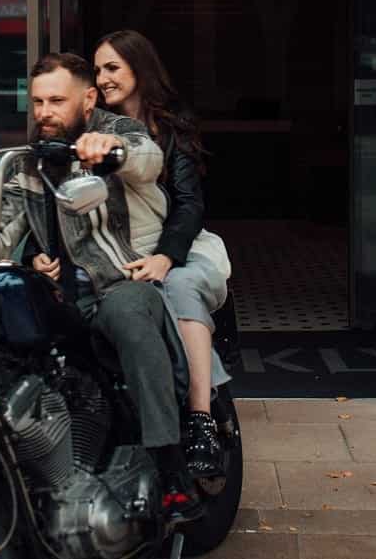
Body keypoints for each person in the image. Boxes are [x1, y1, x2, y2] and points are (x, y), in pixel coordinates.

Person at [0, 52, 204, 523]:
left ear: (88, 99)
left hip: (121, 283)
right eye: (38, 102)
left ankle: (171, 472)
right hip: (63, 296)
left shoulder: (120, 133)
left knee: (128, 312)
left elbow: (145, 160)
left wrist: (110, 152)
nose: (44, 112)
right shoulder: (28, 162)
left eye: (56, 101)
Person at [93, 29, 231, 480]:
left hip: (182, 249)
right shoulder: (93, 130)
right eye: (97, 70)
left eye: (112, 67)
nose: (103, 77)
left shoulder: (172, 128)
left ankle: (200, 418)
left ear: (139, 68)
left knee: (179, 285)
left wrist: (166, 257)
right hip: (125, 253)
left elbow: (189, 204)